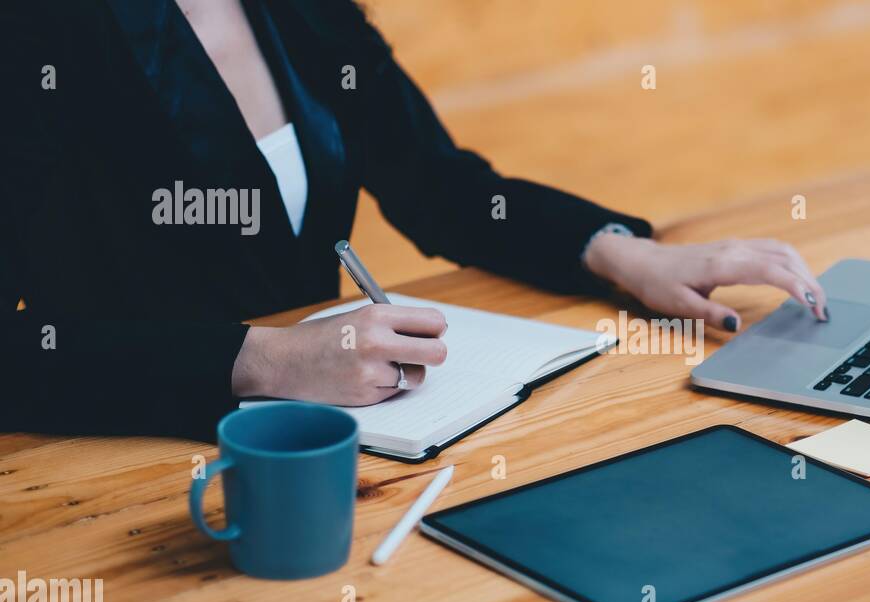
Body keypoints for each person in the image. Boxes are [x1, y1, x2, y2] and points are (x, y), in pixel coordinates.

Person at [1, 0, 826, 441]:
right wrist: (264, 359)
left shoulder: (299, 10)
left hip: (349, 446)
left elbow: (437, 183)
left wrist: (621, 254)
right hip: (126, 462)